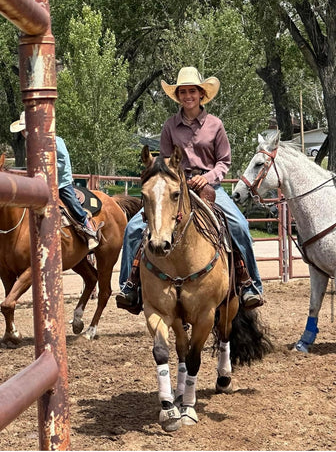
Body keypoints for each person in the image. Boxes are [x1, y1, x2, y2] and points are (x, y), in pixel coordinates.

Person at [116, 66, 263, 311]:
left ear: (201, 94)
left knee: (239, 225)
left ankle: (250, 284)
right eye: (182, 92)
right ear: (178, 96)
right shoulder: (169, 126)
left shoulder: (215, 125)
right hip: (175, 187)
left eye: (192, 91)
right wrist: (175, 179)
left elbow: (224, 161)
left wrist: (208, 177)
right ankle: (129, 286)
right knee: (133, 228)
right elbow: (163, 162)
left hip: (210, 187)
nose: (187, 96)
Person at [10, 112, 98, 245]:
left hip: (60, 180)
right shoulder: (30, 144)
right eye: (23, 130)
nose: (24, 133)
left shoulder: (55, 141)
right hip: (40, 181)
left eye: (26, 129)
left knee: (71, 201)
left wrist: (45, 167)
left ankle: (87, 226)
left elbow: (63, 163)